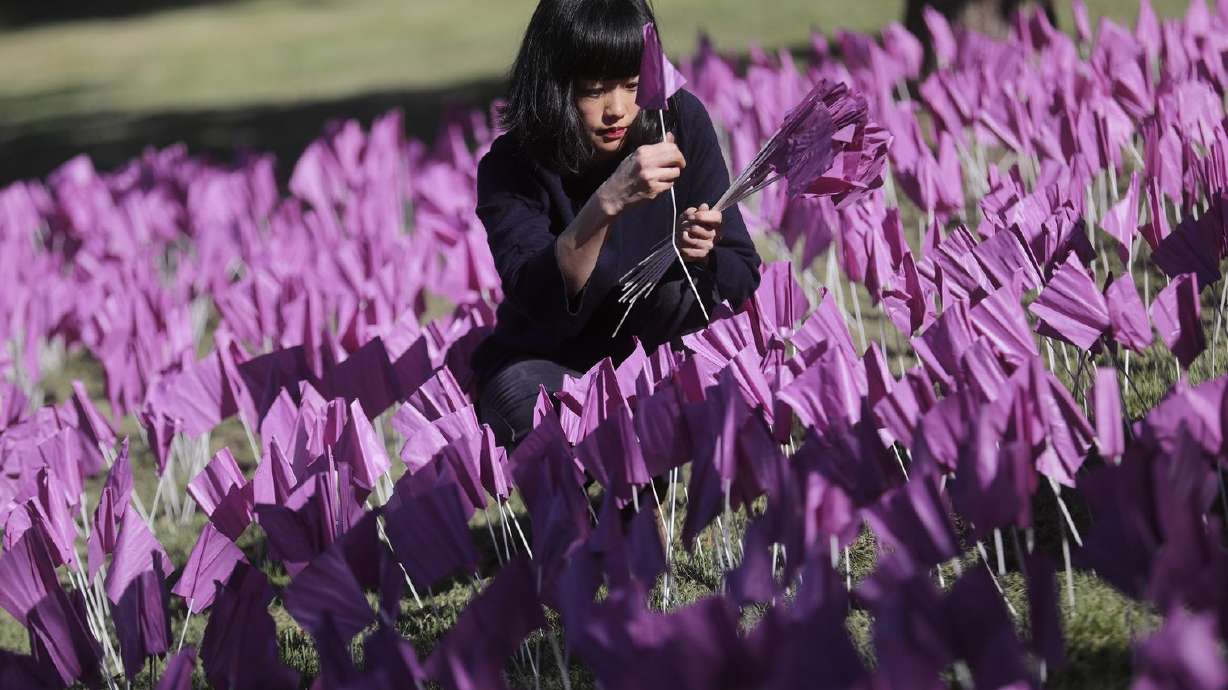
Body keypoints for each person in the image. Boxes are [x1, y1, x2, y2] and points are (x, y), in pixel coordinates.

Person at [472, 0, 761, 448]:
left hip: (656, 357)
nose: (619, 109)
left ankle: (653, 453)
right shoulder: (511, 165)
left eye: (632, 85)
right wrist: (607, 202)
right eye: (594, 91)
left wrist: (706, 253)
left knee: (712, 343)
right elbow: (541, 302)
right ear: (555, 86)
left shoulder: (678, 122)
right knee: (521, 402)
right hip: (552, 363)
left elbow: (742, 271)